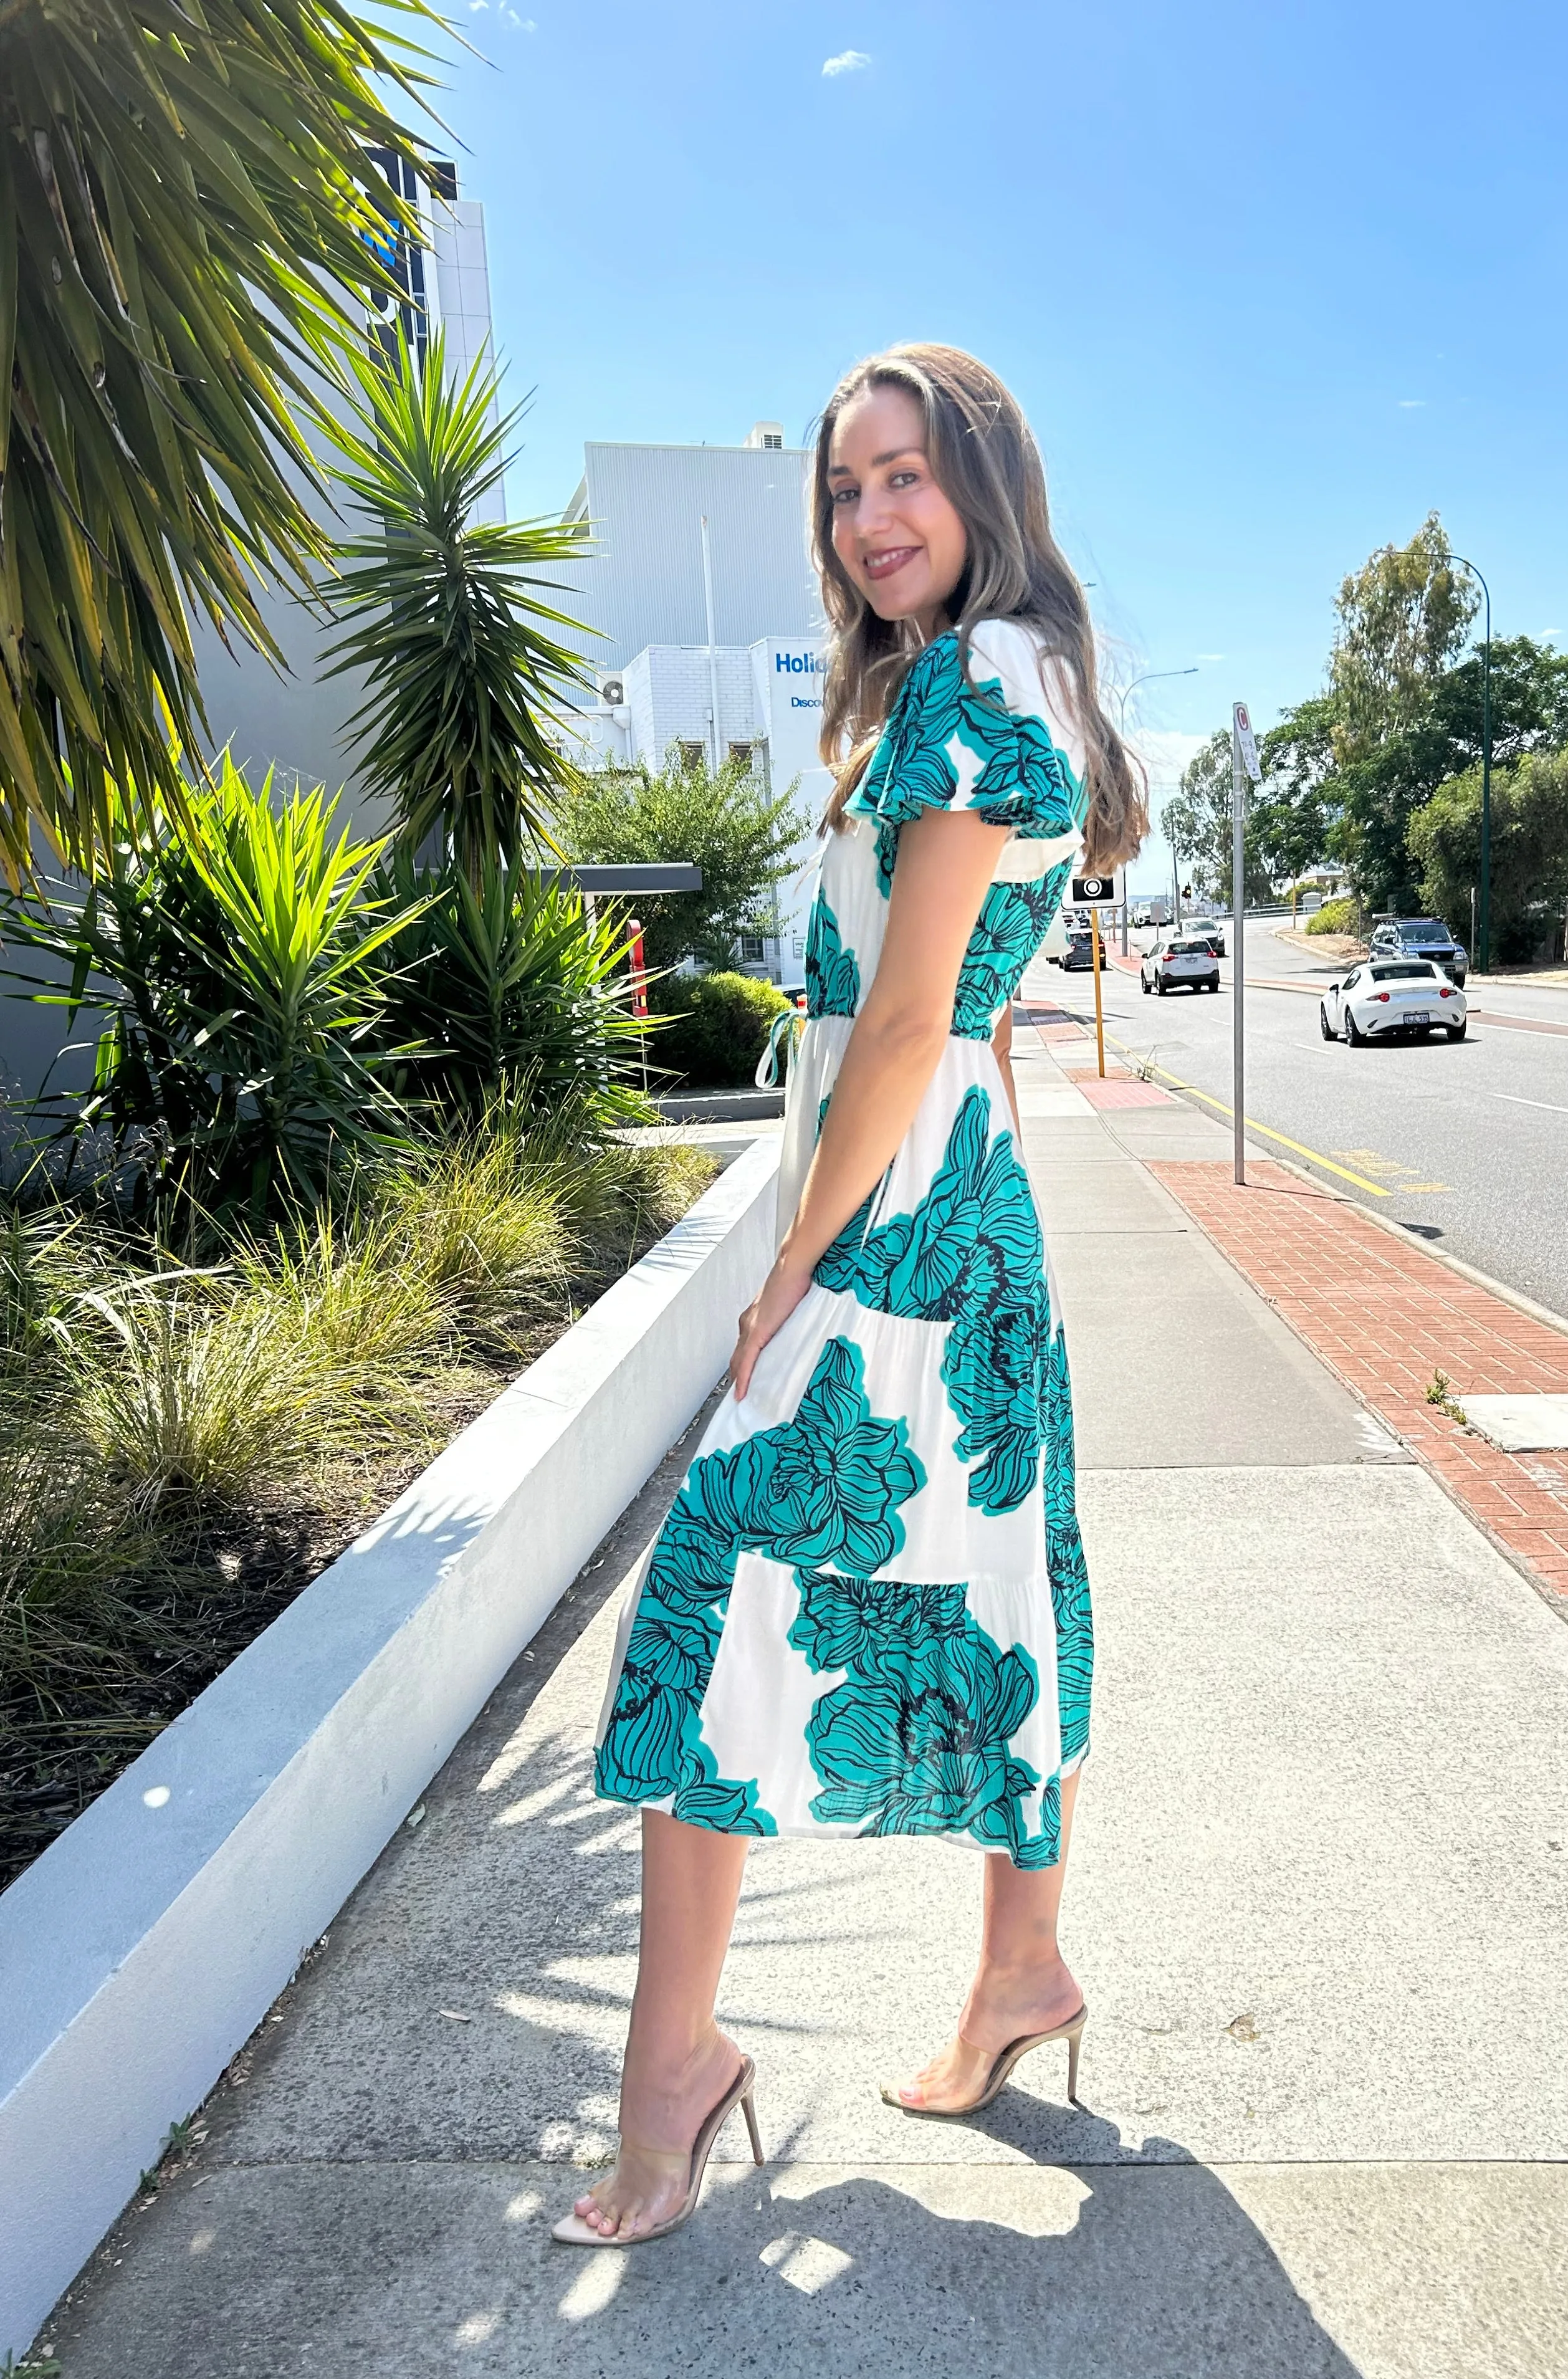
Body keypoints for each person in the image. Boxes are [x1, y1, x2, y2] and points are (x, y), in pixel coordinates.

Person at [554, 343, 1146, 2247]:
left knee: (713, 1590)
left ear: (983, 480)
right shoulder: (992, 676)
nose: (871, 516)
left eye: (905, 475)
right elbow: (925, 1031)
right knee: (989, 1571)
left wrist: (785, 1269)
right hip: (952, 1203)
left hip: (894, 1216)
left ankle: (669, 2081)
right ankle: (1019, 1971)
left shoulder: (979, 688)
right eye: (843, 488)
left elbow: (902, 1023)